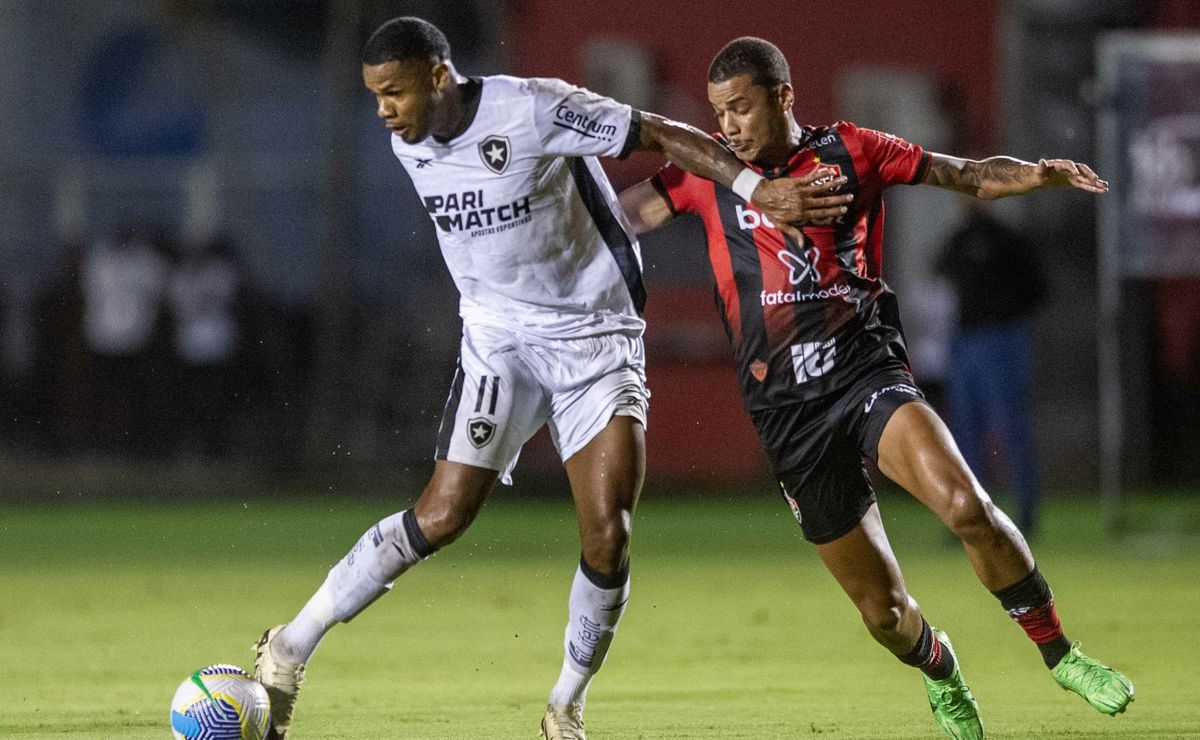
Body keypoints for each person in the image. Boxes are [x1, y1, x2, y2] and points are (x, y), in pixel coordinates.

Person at [250, 18, 851, 740]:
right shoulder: (408, 143)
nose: (384, 110)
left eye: (395, 92)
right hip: (500, 341)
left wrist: (757, 188)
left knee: (608, 533)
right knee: (441, 516)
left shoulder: (534, 108)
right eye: (375, 95)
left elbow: (658, 131)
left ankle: (565, 706)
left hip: (597, 339)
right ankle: (288, 649)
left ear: (440, 78)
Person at [617, 37, 1133, 740]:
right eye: (719, 112)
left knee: (967, 506)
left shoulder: (853, 150)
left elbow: (968, 175)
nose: (729, 125)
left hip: (866, 369)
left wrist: (1034, 176)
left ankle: (1060, 652)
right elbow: (624, 217)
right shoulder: (710, 172)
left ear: (784, 98)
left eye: (740, 108)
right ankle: (941, 670)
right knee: (883, 614)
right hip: (785, 414)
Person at [937, 201, 1047, 536]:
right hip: (966, 339)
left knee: (1010, 426)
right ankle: (969, 514)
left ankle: (1026, 512)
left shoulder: (1005, 239)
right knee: (964, 431)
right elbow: (943, 271)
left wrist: (1006, 314)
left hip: (1002, 338)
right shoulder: (960, 237)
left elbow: (1037, 286)